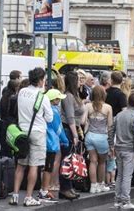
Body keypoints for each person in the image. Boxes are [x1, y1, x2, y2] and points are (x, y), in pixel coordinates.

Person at [10, 67, 53, 206]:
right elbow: (50, 118)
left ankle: (15, 196)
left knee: (21, 165)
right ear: (40, 80)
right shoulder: (43, 96)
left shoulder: (22, 92)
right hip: (38, 132)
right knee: (34, 166)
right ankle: (28, 197)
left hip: (23, 132)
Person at [109, 93, 134, 209]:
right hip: (129, 149)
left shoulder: (119, 115)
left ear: (128, 101)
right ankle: (125, 200)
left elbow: (111, 130)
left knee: (120, 175)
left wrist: (111, 145)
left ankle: (117, 199)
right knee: (127, 176)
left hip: (118, 147)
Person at [39, 89, 69, 202]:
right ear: (54, 100)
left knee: (43, 166)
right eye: (58, 98)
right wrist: (65, 140)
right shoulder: (54, 111)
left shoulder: (42, 109)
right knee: (49, 166)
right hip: (51, 142)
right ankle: (45, 191)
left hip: (42, 139)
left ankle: (44, 189)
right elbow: (58, 129)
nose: (59, 101)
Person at [83, 86, 113, 193]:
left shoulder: (88, 105)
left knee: (92, 161)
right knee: (101, 162)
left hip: (90, 136)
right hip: (102, 137)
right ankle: (101, 184)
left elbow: (82, 121)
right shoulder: (108, 107)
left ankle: (93, 185)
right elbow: (110, 126)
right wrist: (111, 144)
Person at [59, 71, 84, 200]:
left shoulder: (75, 96)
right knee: (67, 159)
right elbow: (70, 117)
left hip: (74, 129)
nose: (81, 81)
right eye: (79, 79)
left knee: (71, 159)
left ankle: (68, 186)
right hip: (68, 129)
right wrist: (75, 135)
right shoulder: (68, 96)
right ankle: (64, 188)